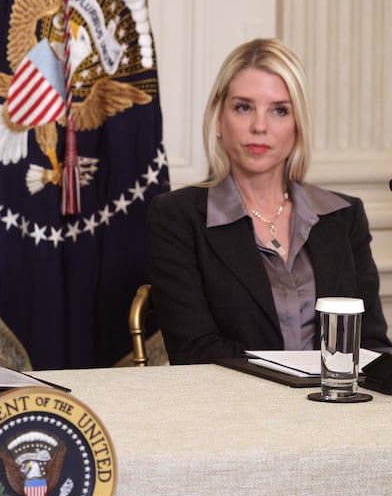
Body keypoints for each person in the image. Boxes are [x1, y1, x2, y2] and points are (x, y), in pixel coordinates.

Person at [147, 38, 390, 364]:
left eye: (279, 110)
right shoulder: (177, 217)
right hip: (235, 409)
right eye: (243, 107)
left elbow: (370, 343)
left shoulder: (343, 216)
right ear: (219, 118)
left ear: (297, 125)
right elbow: (196, 352)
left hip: (338, 408)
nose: (259, 126)